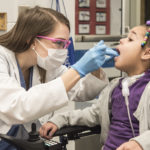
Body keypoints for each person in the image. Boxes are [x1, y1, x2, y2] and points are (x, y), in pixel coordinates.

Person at [0, 6, 118, 149]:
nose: (63, 50)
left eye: (66, 44)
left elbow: (81, 91)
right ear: (32, 40)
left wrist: (95, 69)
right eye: (58, 43)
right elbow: (19, 107)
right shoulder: (2, 58)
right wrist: (78, 69)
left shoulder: (45, 64)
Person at [39, 21, 150, 150]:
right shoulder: (115, 87)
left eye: (130, 39)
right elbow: (93, 114)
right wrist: (60, 119)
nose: (121, 40)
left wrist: (140, 143)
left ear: (147, 53)